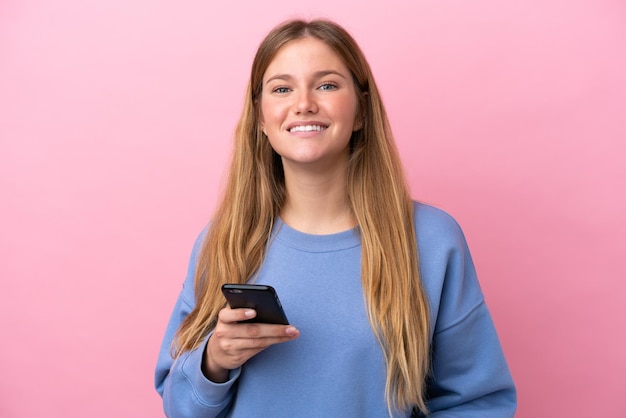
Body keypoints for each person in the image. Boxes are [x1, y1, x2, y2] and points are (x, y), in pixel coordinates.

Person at [154, 18, 516, 418]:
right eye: (282, 88)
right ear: (260, 119)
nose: (304, 103)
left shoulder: (431, 240)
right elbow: (179, 404)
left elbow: (479, 402)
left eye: (326, 85)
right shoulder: (222, 242)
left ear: (361, 111)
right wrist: (214, 362)